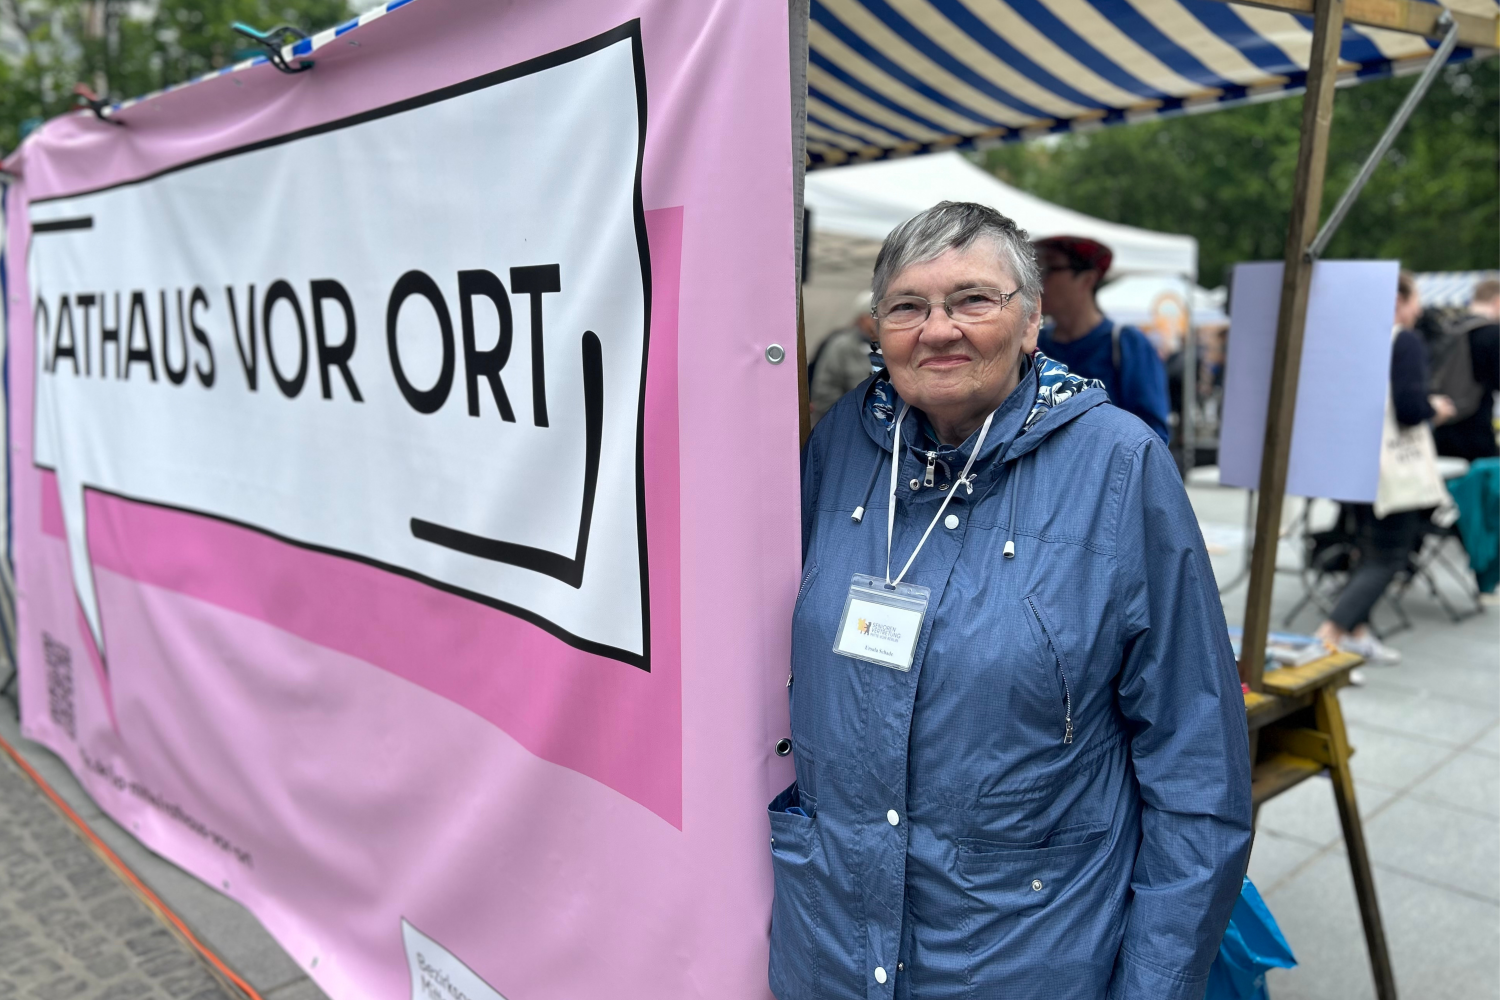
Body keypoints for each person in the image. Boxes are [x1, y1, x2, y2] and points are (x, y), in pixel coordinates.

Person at [771, 201, 1251, 1000]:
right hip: (831, 950)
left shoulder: (1119, 468)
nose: (938, 329)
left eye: (973, 300)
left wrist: (1156, 985)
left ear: (1032, 324)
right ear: (878, 326)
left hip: (1025, 958)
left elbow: (1197, 767)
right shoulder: (841, 444)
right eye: (908, 306)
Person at [1315, 273, 1455, 668]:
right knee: (1388, 557)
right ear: (1398, 300)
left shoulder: (1352, 341)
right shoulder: (1404, 342)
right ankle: (1329, 638)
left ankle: (1357, 635)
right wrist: (1436, 409)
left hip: (1352, 462)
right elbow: (1410, 409)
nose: (1419, 310)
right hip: (1391, 468)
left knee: (1367, 549)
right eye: (1415, 301)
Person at [1033, 236, 1171, 443]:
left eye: (1050, 268)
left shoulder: (1128, 344)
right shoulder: (1034, 344)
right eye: (1035, 270)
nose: (1038, 280)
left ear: (1087, 279)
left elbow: (1153, 436)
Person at [1429, 278, 1499, 462]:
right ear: (1497, 301)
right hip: (1477, 431)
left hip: (1441, 424)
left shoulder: (1447, 328)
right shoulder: (1493, 333)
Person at [810, 292, 880, 425]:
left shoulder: (892, 345)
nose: (877, 321)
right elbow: (825, 393)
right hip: (848, 424)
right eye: (872, 316)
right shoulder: (841, 346)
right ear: (861, 318)